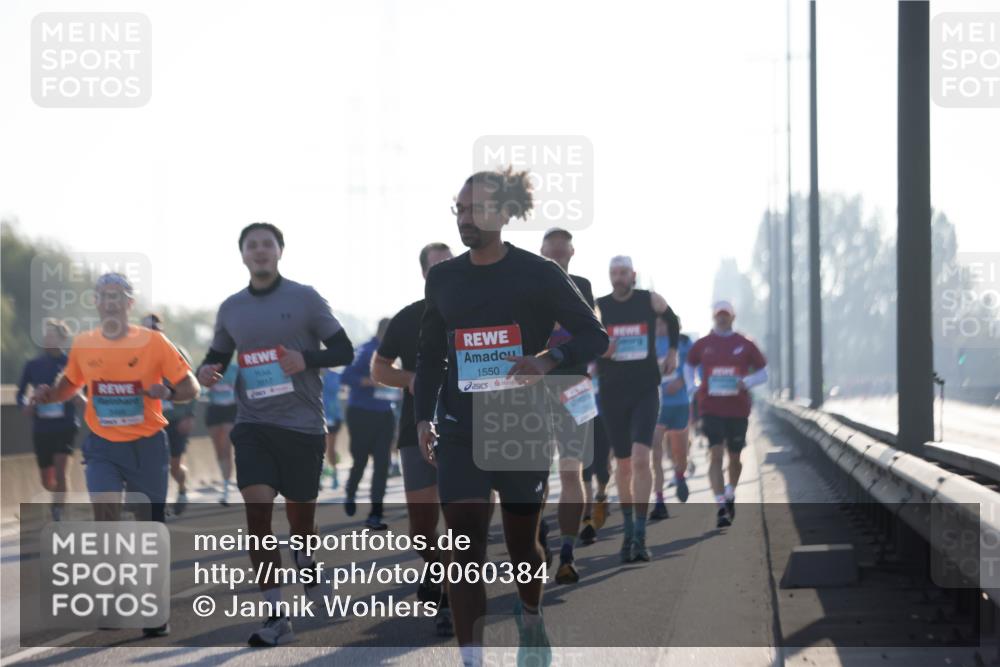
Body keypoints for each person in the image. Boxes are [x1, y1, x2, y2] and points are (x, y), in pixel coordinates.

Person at [415, 168, 608, 667]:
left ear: (502, 214)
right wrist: (422, 418)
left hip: (521, 427)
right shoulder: (444, 277)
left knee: (524, 547)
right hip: (459, 429)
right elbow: (431, 353)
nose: (465, 219)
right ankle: (472, 659)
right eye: (458, 210)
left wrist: (547, 361)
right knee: (465, 548)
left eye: (475, 209)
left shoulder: (539, 273)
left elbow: (594, 337)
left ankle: (530, 614)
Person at [196, 222, 354, 647]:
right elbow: (215, 356)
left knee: (301, 524)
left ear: (280, 251)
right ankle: (275, 615)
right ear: (243, 255)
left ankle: (309, 566)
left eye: (268, 244)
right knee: (258, 514)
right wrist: (205, 371)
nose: (260, 251)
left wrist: (305, 359)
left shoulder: (304, 299)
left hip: (302, 426)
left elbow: (344, 351)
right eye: (253, 245)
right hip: (254, 425)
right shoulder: (231, 308)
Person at [33, 272, 199, 639]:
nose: (110, 301)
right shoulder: (84, 344)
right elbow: (69, 385)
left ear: (129, 303)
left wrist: (169, 391)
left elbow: (192, 386)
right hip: (102, 445)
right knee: (105, 518)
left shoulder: (155, 342)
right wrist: (49, 394)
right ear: (96, 302)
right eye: (103, 295)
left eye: (118, 295)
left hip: (148, 445)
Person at [371, 241, 455, 637]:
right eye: (435, 266)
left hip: (468, 428)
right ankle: (438, 571)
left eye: (449, 264)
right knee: (422, 530)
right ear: (424, 274)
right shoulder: (408, 318)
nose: (442, 271)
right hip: (415, 427)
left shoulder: (476, 313)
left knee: (463, 521)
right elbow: (378, 368)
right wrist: (411, 380)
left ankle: (452, 600)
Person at [595, 256, 680, 562]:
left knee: (642, 459)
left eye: (623, 273)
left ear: (633, 275)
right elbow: (583, 336)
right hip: (612, 392)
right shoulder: (599, 305)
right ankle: (628, 530)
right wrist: (599, 348)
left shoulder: (649, 300)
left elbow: (673, 320)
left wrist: (672, 351)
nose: (618, 278)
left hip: (645, 388)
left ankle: (641, 536)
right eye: (613, 272)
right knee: (624, 465)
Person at [537, 227, 599, 583]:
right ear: (542, 252)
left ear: (571, 254)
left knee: (571, 471)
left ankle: (568, 553)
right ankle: (540, 534)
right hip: (537, 388)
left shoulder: (583, 286)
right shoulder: (528, 285)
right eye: (551, 253)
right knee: (537, 472)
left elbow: (593, 336)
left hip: (576, 387)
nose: (557, 259)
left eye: (562, 253)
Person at [684, 300, 768, 528]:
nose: (722, 318)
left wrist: (747, 381)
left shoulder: (745, 343)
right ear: (713, 317)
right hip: (710, 406)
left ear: (733, 317)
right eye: (719, 315)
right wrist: (693, 385)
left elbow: (763, 372)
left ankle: (730, 493)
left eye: (726, 315)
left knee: (734, 458)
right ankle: (720, 504)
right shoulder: (703, 344)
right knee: (716, 453)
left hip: (738, 408)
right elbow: (689, 365)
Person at [16, 319, 82, 520]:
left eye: (52, 335)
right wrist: (25, 405)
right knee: (47, 480)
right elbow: (20, 393)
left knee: (62, 472)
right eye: (46, 335)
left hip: (65, 425)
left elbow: (84, 390)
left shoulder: (72, 364)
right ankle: (57, 498)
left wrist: (74, 395)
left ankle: (58, 512)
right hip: (42, 427)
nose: (47, 338)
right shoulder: (33, 364)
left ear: (62, 339)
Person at [341, 317, 398, 530]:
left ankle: (375, 513)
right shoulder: (365, 350)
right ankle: (351, 491)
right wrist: (368, 381)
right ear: (383, 332)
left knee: (383, 464)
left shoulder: (395, 352)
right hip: (362, 413)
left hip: (385, 413)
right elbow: (345, 376)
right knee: (361, 461)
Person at [142, 313, 196, 517]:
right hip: (151, 421)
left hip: (175, 418)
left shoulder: (176, 351)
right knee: (155, 465)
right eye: (147, 330)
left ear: (161, 330)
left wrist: (189, 415)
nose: (151, 333)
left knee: (173, 467)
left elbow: (193, 385)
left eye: (154, 329)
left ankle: (182, 489)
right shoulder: (136, 355)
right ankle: (159, 506)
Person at [650, 322, 694, 521]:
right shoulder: (647, 342)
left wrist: (682, 382)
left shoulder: (683, 342)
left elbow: (694, 368)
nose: (660, 325)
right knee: (656, 452)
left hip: (680, 404)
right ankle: (659, 500)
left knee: (680, 454)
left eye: (663, 321)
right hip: (656, 405)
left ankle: (679, 474)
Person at [205, 362, 239, 505]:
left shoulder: (235, 368)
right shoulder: (207, 368)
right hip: (214, 409)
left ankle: (226, 487)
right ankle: (225, 479)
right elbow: (201, 387)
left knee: (226, 445)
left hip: (231, 408)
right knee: (218, 449)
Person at [321, 367, 344, 490]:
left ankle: (334, 475)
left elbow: (334, 389)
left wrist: (324, 375)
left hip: (332, 416)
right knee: (319, 449)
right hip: (316, 416)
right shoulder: (310, 373)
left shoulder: (334, 375)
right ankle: (320, 476)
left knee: (330, 448)